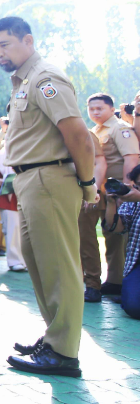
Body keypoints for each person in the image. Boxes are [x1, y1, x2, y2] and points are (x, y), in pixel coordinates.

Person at [0, 17, 96, 378]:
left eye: (4, 44)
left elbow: (79, 136)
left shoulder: (45, 79)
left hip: (49, 177)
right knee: (40, 264)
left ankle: (64, 353)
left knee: (59, 266)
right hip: (31, 181)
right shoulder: (24, 81)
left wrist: (88, 184)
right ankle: (54, 340)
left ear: (28, 40)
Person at [80, 93, 139, 302]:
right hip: (97, 191)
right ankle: (97, 282)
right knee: (92, 234)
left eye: (100, 109)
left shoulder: (120, 128)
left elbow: (131, 159)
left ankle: (115, 281)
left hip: (115, 192)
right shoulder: (95, 131)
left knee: (115, 236)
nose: (95, 112)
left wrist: (127, 190)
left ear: (110, 108)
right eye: (91, 109)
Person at [103, 163, 140, 319]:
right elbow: (116, 228)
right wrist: (111, 204)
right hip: (137, 263)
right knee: (133, 307)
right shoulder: (133, 201)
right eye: (138, 185)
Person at [0, 145, 26, 272]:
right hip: (7, 199)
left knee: (23, 232)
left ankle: (25, 261)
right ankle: (14, 261)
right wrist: (5, 181)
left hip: (24, 198)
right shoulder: (0, 156)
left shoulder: (26, 151)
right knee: (12, 230)